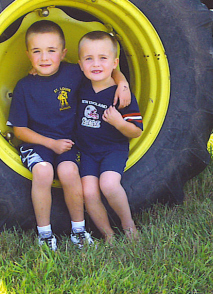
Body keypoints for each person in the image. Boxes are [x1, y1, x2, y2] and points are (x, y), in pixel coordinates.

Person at [7, 20, 131, 251]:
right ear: (28, 54)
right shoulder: (24, 86)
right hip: (38, 144)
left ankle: (79, 230)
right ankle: (45, 233)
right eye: (37, 52)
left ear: (63, 53)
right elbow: (20, 130)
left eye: (51, 51)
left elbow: (103, 69)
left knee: (69, 171)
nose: (44, 58)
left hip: (67, 143)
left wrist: (122, 83)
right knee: (43, 172)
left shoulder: (74, 73)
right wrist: (50, 144)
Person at [76, 31, 143, 243]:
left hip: (113, 149)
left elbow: (136, 131)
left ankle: (128, 225)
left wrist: (119, 123)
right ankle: (108, 236)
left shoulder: (121, 96)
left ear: (115, 63)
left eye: (103, 58)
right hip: (86, 152)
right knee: (88, 193)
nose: (96, 64)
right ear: (80, 64)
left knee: (109, 185)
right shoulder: (81, 87)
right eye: (89, 59)